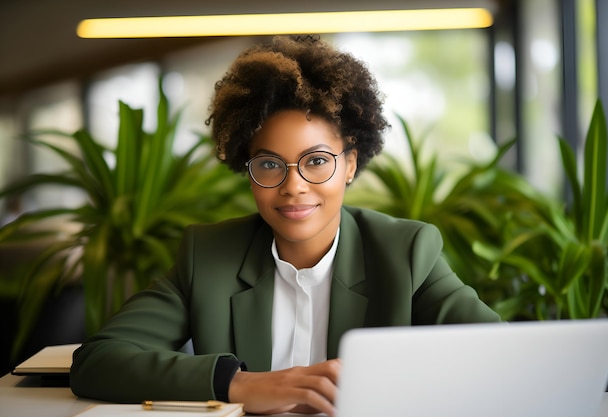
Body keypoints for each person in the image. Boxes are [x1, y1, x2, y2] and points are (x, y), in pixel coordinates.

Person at [70, 35, 500, 416]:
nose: (293, 186)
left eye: (316, 161)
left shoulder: (405, 252)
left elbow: (499, 359)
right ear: (247, 167)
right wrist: (239, 385)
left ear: (350, 164)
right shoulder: (209, 255)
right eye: (270, 164)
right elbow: (99, 362)